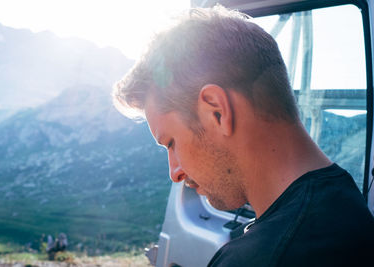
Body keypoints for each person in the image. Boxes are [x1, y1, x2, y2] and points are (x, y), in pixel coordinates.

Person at [112, 5, 374, 267]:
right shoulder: (345, 202)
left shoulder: (262, 257)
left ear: (216, 111)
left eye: (171, 143)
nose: (175, 172)